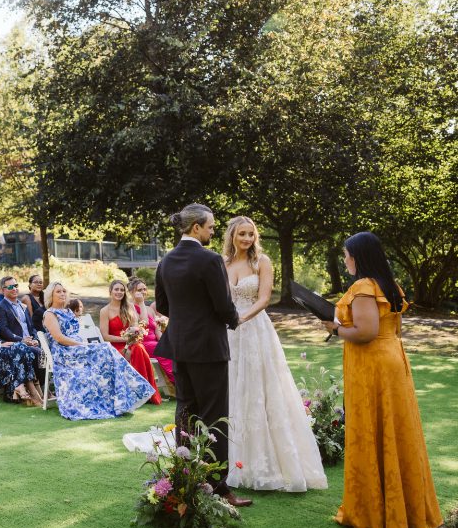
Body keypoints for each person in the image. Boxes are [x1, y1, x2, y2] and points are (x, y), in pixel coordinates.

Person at [320, 232, 442, 528]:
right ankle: (404, 510)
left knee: (374, 430)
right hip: (393, 360)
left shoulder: (363, 287)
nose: (345, 259)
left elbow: (365, 332)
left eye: (347, 254)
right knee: (396, 431)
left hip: (374, 364)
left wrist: (335, 329)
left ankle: (374, 513)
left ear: (358, 257)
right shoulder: (389, 284)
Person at [153, 203, 251, 507]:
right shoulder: (209, 260)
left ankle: (184, 477)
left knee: (185, 412)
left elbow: (162, 306)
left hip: (180, 347)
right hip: (208, 348)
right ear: (196, 227)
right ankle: (217, 487)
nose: (212, 232)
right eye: (210, 227)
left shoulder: (165, 261)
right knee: (215, 417)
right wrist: (233, 319)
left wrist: (186, 317)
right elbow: (223, 306)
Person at [222, 216, 326, 492]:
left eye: (251, 234)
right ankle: (230, 455)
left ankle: (268, 461)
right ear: (232, 235)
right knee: (233, 388)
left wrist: (241, 319)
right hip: (228, 333)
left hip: (254, 328)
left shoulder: (262, 262)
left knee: (259, 389)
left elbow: (264, 298)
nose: (247, 239)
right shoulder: (223, 263)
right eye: (242, 234)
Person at [43, 282, 155, 420]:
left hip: (78, 349)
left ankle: (121, 397)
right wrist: (81, 344)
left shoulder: (68, 311)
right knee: (105, 349)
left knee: (107, 352)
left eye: (64, 291)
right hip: (65, 353)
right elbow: (59, 338)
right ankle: (133, 388)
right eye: (58, 292)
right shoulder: (49, 314)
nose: (62, 294)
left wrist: (82, 345)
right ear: (51, 295)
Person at [99, 280, 162, 405]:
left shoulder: (129, 307)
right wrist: (125, 339)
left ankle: (144, 392)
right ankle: (139, 392)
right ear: (110, 292)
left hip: (131, 343)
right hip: (115, 346)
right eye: (116, 289)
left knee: (138, 348)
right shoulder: (104, 311)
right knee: (137, 349)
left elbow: (136, 326)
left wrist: (135, 333)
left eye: (122, 290)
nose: (119, 292)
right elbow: (105, 336)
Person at [0, 276, 44, 382]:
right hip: (15, 345)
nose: (14, 289)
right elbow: (4, 330)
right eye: (10, 286)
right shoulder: (0, 307)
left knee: (52, 347)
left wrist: (35, 339)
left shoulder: (23, 306)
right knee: (39, 352)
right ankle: (43, 388)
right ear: (2, 290)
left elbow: (31, 327)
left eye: (15, 286)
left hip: (30, 342)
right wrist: (22, 340)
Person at [128, 277, 174, 384]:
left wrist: (166, 342)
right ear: (131, 292)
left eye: (144, 289)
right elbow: (144, 324)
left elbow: (157, 330)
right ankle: (177, 383)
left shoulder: (149, 309)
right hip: (141, 343)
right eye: (140, 290)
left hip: (154, 342)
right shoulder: (130, 308)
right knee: (163, 350)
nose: (143, 292)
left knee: (173, 347)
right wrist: (141, 303)